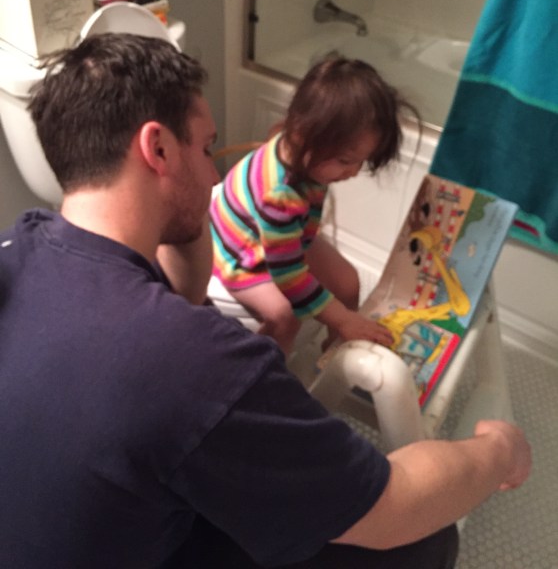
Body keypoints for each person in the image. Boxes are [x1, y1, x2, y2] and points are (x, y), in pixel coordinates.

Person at [0, 33, 531, 569]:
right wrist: (499, 451)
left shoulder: (18, 244)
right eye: (205, 148)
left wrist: (183, 220)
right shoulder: (196, 362)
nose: (215, 175)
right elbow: (391, 507)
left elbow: (182, 301)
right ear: (157, 149)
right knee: (423, 541)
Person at [210, 58, 416, 354]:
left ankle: (336, 352)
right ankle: (265, 369)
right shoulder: (281, 197)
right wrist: (343, 319)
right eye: (345, 161)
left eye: (361, 161)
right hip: (240, 253)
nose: (354, 172)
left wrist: (342, 320)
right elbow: (288, 275)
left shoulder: (297, 143)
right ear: (301, 134)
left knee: (348, 282)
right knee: (284, 317)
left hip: (277, 234)